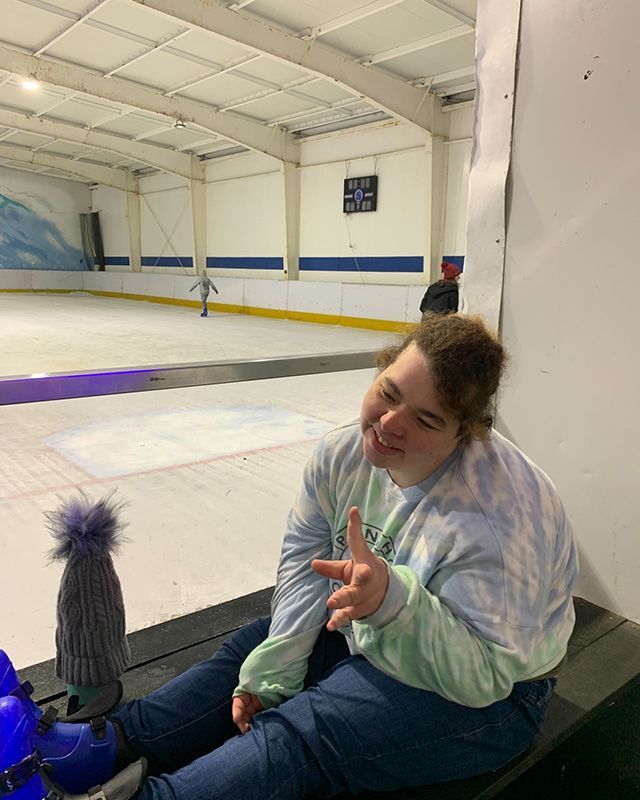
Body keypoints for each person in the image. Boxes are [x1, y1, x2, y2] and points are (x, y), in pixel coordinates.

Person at [0, 313, 578, 800]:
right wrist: (276, 668)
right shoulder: (342, 453)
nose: (388, 425)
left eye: (426, 419)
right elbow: (305, 562)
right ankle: (104, 746)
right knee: (251, 648)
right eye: (389, 392)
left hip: (493, 696)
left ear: (466, 433)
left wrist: (392, 604)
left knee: (306, 730)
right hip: (372, 633)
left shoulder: (502, 520)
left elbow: (486, 676)